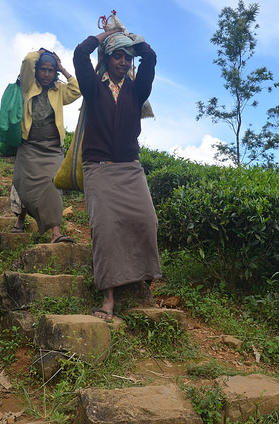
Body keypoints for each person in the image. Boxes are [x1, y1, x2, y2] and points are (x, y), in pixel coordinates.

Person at [73, 28, 162, 322]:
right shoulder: (92, 86)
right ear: (107, 59)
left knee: (147, 219)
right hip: (98, 168)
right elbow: (79, 54)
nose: (123, 62)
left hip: (129, 168)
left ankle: (141, 280)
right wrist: (106, 35)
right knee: (106, 227)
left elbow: (151, 58)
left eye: (127, 58)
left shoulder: (136, 91)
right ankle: (108, 297)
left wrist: (136, 40)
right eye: (117, 56)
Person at [12, 49, 81, 243]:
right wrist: (40, 52)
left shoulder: (59, 90)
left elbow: (77, 90)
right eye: (43, 69)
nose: (47, 74)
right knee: (23, 182)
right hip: (29, 145)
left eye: (51, 70)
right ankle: (20, 218)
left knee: (53, 185)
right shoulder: (28, 85)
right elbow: (27, 60)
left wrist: (63, 69)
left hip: (52, 148)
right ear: (36, 70)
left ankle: (55, 233)